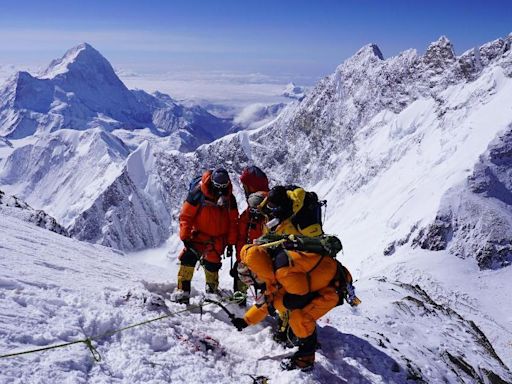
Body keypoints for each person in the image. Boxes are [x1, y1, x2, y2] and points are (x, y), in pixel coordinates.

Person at [231, 243, 340, 371]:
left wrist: (274, 304)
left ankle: (305, 359)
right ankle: (306, 345)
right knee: (292, 309)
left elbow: (299, 299)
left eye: (250, 281)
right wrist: (246, 321)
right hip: (317, 286)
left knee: (299, 317)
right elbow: (269, 301)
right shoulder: (271, 269)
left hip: (332, 290)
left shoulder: (283, 272)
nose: (253, 285)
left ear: (256, 273)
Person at [173, 168, 238, 304]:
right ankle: (183, 290)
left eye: (223, 186)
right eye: (218, 186)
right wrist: (185, 237)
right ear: (212, 182)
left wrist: (231, 242)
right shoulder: (198, 193)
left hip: (217, 239)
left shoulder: (230, 198)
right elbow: (186, 216)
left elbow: (233, 221)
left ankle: (211, 292)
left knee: (212, 264)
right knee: (188, 258)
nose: (220, 189)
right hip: (198, 235)